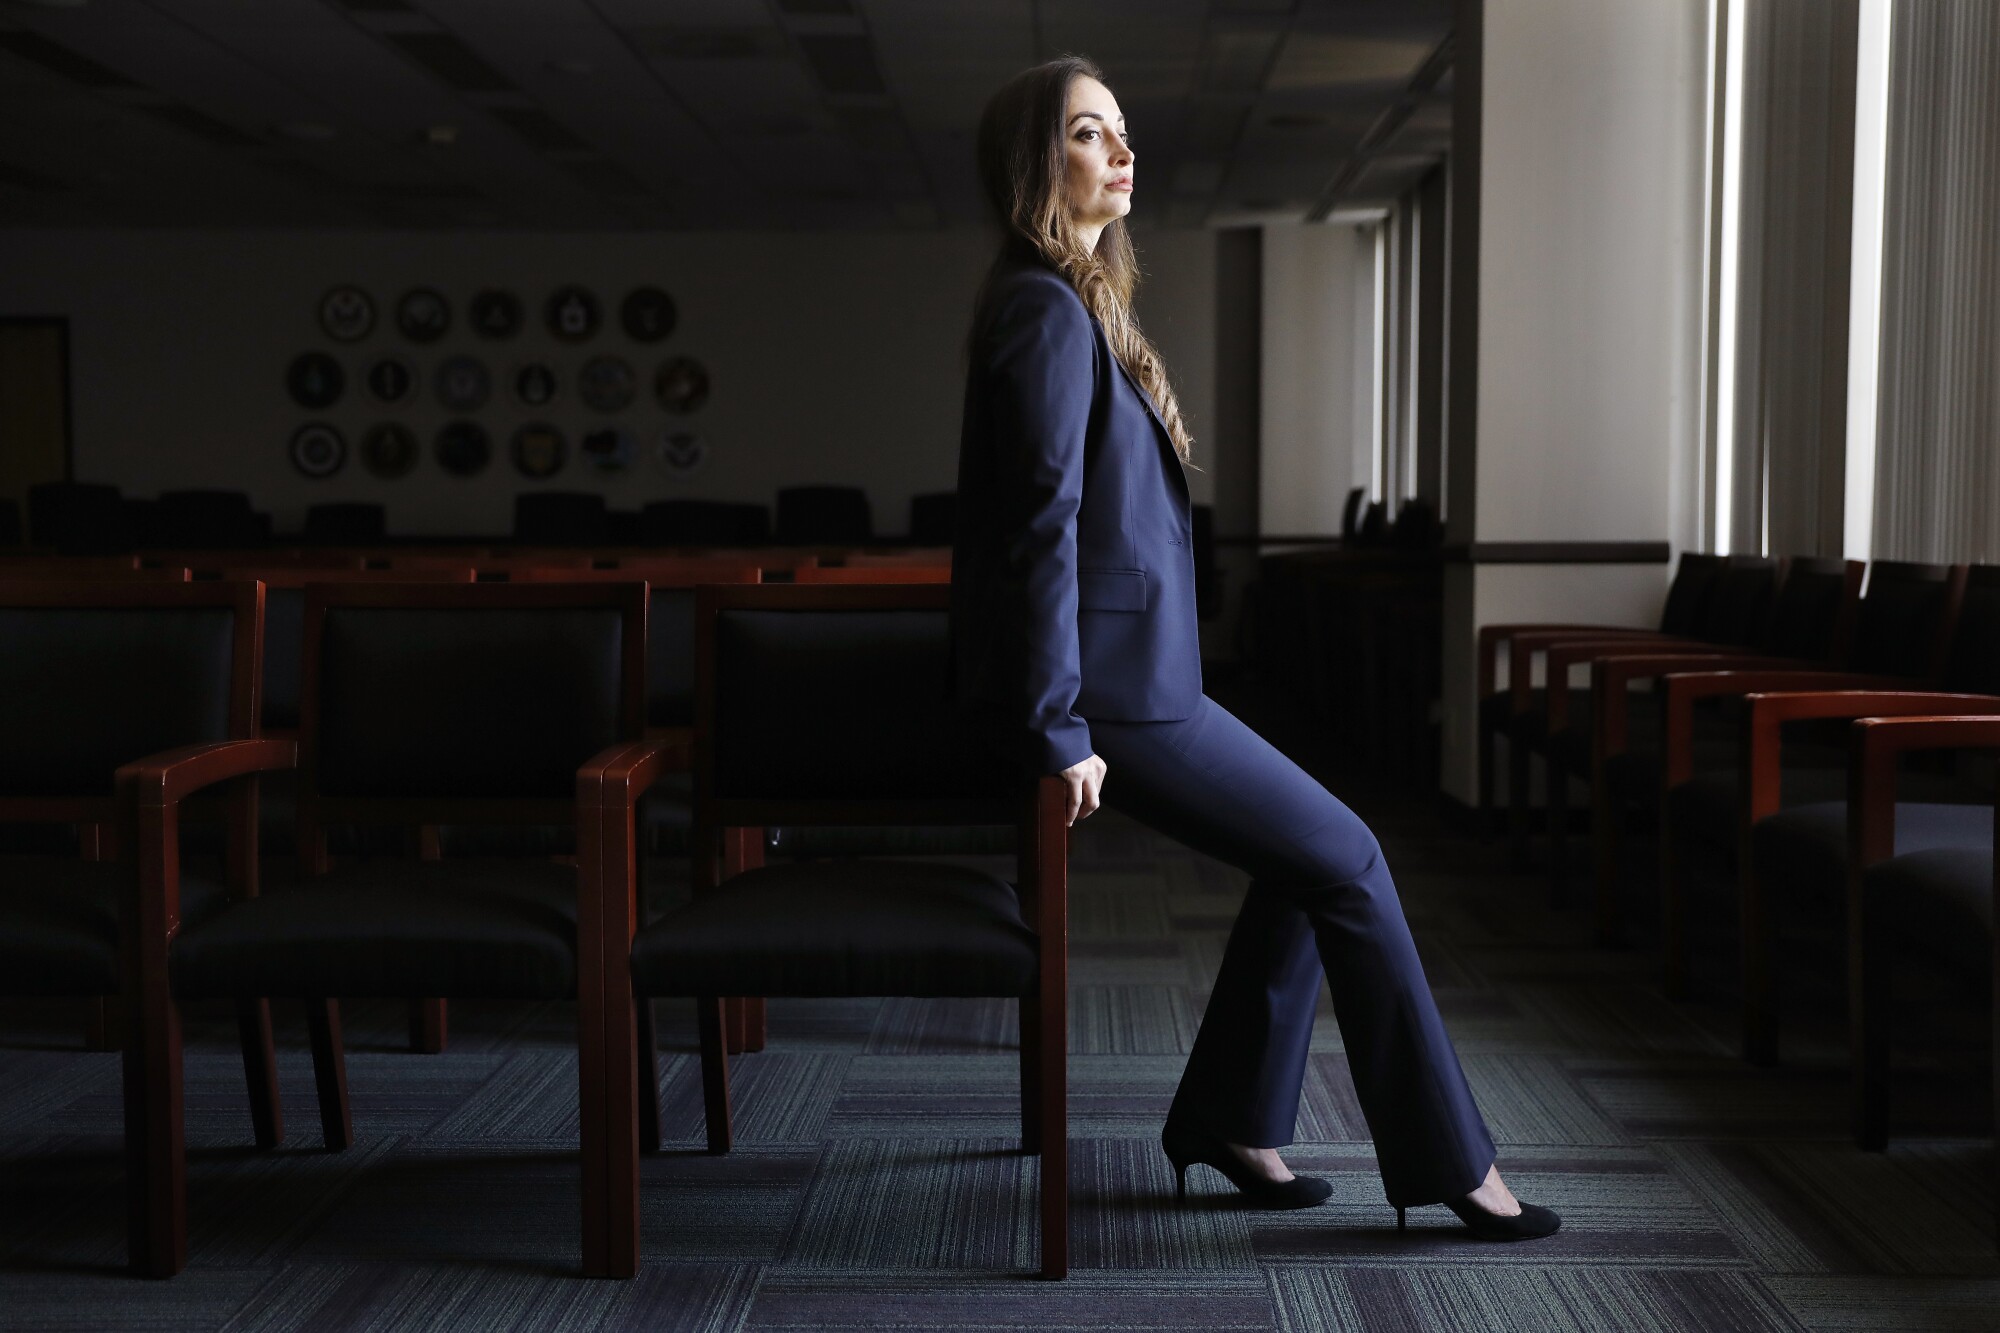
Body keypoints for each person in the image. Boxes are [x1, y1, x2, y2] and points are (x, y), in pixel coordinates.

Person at [948, 55, 1559, 1242]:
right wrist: (1059, 722)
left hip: (1143, 681)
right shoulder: (1039, 304)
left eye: (1120, 132)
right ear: (1037, 162)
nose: (1119, 153)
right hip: (1113, 697)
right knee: (1351, 857)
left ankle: (1230, 1117)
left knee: (1308, 856)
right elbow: (1037, 528)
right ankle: (1448, 1160)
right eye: (1087, 133)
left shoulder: (1078, 301)